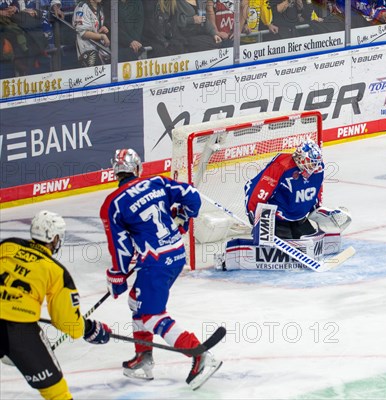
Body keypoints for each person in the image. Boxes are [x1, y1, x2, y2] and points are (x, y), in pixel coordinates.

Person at [100, 148, 222, 390]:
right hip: (176, 254)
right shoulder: (157, 182)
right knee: (136, 300)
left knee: (152, 315)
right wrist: (183, 218)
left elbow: (121, 249)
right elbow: (192, 196)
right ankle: (143, 357)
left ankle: (199, 354)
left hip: (155, 263)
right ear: (137, 169)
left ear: (115, 172)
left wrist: (117, 276)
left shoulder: (112, 205)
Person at [0, 210, 111, 400]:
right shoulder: (57, 272)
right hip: (18, 330)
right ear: (55, 238)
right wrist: (89, 328)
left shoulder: (7, 245)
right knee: (56, 392)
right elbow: (67, 322)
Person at [215, 140, 352, 271]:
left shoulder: (318, 168)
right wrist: (256, 217)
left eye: (315, 163)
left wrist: (316, 207)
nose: (313, 167)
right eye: (310, 163)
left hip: (298, 217)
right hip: (277, 218)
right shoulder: (281, 166)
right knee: (283, 253)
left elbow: (317, 189)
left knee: (310, 243)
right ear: (300, 158)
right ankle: (229, 257)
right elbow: (256, 191)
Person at [72, 0, 110, 67]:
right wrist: (101, 36)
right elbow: (83, 33)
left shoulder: (99, 7)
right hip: (86, 49)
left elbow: (93, 29)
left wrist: (101, 29)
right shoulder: (82, 8)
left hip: (99, 48)